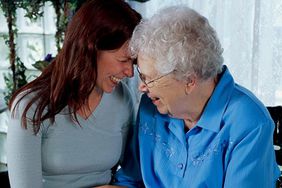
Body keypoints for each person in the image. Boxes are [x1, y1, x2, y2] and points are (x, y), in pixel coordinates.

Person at [112, 6, 281, 187]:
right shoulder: (152, 105)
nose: (141, 87)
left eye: (149, 79)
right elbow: (131, 180)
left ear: (189, 80)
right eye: (141, 74)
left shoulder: (249, 121)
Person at [7, 0, 141, 187]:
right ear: (90, 48)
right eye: (123, 60)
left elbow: (127, 175)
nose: (130, 72)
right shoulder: (30, 106)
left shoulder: (123, 98)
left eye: (133, 62)